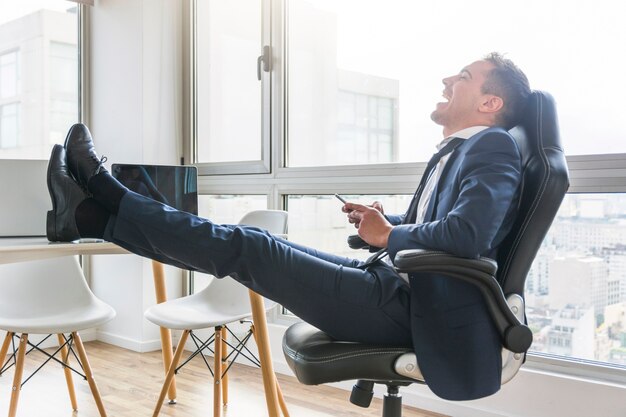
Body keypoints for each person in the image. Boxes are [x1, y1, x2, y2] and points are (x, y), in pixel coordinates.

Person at [46, 52, 531, 401]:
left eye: (464, 77)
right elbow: (444, 225)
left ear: (490, 104)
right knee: (256, 244)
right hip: (392, 281)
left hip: (410, 305)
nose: (448, 78)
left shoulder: (492, 147)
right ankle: (89, 216)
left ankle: (104, 199)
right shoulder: (462, 150)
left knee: (249, 249)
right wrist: (383, 225)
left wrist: (390, 235)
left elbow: (469, 237)